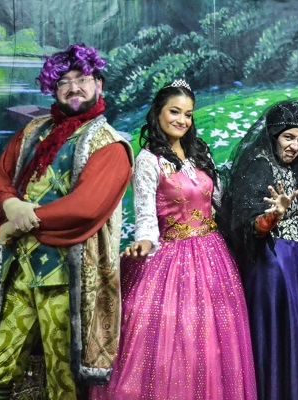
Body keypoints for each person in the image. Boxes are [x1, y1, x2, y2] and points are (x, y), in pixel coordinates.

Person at [0, 43, 134, 399]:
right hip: (18, 268)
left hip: (68, 278)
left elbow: (85, 208)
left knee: (64, 375)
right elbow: (1, 174)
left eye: (82, 79)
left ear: (99, 84)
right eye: (64, 82)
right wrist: (10, 204)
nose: (73, 87)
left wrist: (21, 220)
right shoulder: (34, 130)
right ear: (53, 88)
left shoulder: (110, 144)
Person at [90, 80, 256, 400]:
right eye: (175, 112)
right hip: (172, 259)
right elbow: (146, 218)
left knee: (213, 339)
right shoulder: (148, 159)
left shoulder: (200, 152)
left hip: (213, 257)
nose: (182, 120)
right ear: (158, 113)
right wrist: (144, 243)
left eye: (188, 114)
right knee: (174, 339)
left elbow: (218, 203)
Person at [217, 98, 298, 400]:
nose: (295, 146)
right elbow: (249, 228)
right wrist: (272, 216)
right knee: (282, 340)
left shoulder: (296, 166)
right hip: (274, 269)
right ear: (274, 135)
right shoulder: (258, 166)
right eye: (289, 137)